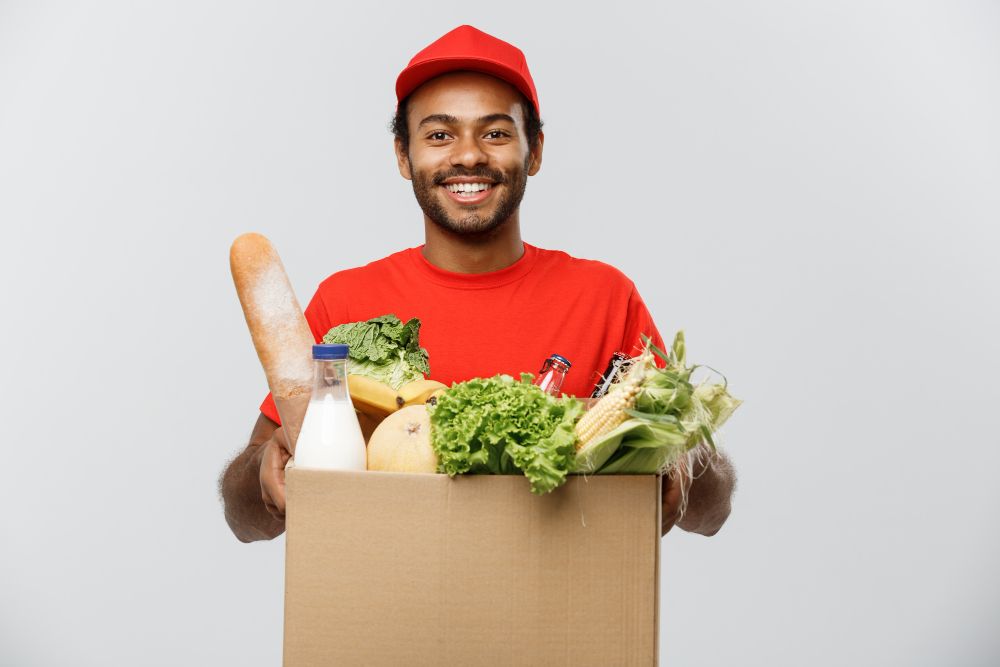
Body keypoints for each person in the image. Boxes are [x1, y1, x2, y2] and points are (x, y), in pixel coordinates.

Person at [220, 25, 735, 543]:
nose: (467, 156)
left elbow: (710, 514)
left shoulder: (605, 297)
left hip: (563, 608)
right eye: (439, 135)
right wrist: (266, 467)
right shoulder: (346, 303)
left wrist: (685, 462)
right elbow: (246, 521)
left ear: (533, 152)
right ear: (403, 156)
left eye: (495, 133)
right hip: (388, 604)